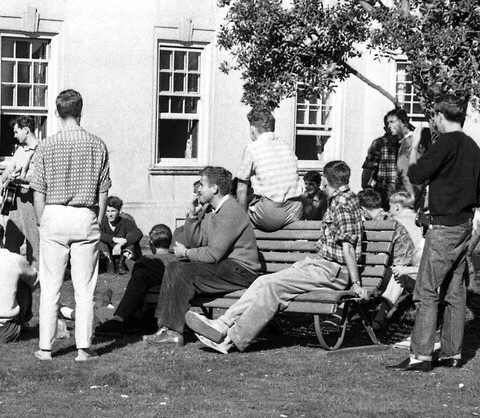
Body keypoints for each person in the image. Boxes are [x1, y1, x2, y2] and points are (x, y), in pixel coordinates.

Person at [185, 160, 366, 353]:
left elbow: (348, 246)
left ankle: (229, 339)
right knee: (264, 281)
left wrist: (356, 284)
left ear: (325, 182)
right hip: (320, 266)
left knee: (272, 287)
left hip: (333, 271)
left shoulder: (343, 202)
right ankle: (221, 325)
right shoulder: (343, 199)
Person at [389, 94, 480, 372]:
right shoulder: (473, 147)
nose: (432, 121)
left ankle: (420, 355)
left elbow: (417, 173)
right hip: (464, 226)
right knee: (455, 291)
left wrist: (415, 145)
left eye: (433, 116)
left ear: (440, 116)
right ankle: (451, 354)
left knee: (426, 290)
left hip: (444, 227)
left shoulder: (445, 142)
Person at [31, 89, 111, 362]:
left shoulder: (45, 145)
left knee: (50, 287)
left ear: (57, 112)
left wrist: (43, 222)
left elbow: (38, 191)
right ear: (80, 111)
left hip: (53, 215)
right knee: (84, 289)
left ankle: (45, 348)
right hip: (84, 216)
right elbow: (103, 192)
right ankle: (83, 349)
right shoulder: (97, 144)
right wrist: (97, 222)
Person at [142, 166, 260, 344]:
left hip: (241, 271)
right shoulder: (214, 210)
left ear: (214, 189)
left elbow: (213, 254)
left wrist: (186, 253)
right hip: (226, 266)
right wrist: (191, 217)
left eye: (202, 185)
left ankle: (173, 331)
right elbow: (199, 242)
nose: (199, 189)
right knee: (174, 266)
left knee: (182, 272)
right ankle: (166, 327)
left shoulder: (230, 211)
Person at [93, 223, 175, 337]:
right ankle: (107, 300)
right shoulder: (178, 260)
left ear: (151, 243)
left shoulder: (147, 262)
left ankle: (111, 311)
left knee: (100, 312)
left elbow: (135, 292)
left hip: (142, 311)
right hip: (170, 305)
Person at [357, 189, 420, 332]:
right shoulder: (390, 221)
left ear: (363, 210)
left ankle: (341, 314)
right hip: (399, 269)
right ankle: (377, 319)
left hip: (397, 271)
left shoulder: (377, 225)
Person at [235, 107, 302, 231]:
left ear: (252, 129)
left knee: (235, 209)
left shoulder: (253, 148)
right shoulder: (286, 146)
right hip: (295, 210)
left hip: (270, 215)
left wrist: (242, 220)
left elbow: (241, 189)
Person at [0, 116, 40, 265]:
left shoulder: (40, 150)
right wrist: (3, 180)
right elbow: (8, 169)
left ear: (26, 130)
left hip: (30, 201)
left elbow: (39, 179)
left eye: (16, 132)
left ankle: (35, 279)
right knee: (11, 241)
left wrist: (22, 179)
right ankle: (12, 274)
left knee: (33, 242)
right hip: (14, 201)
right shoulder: (20, 150)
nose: (14, 135)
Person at [361, 110, 403, 199]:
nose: (391, 126)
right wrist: (366, 187)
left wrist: (365, 186)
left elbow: (368, 169)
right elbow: (369, 168)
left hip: (393, 188)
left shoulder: (408, 143)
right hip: (386, 189)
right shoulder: (379, 144)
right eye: (389, 124)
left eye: (393, 123)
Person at [98, 196, 143, 274]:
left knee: (131, 242)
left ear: (119, 211)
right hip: (108, 251)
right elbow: (97, 233)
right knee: (100, 241)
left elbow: (138, 233)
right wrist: (113, 239)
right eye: (108, 211)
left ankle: (122, 263)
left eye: (113, 211)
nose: (110, 214)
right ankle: (109, 262)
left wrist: (123, 242)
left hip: (122, 251)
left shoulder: (126, 221)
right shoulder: (102, 221)